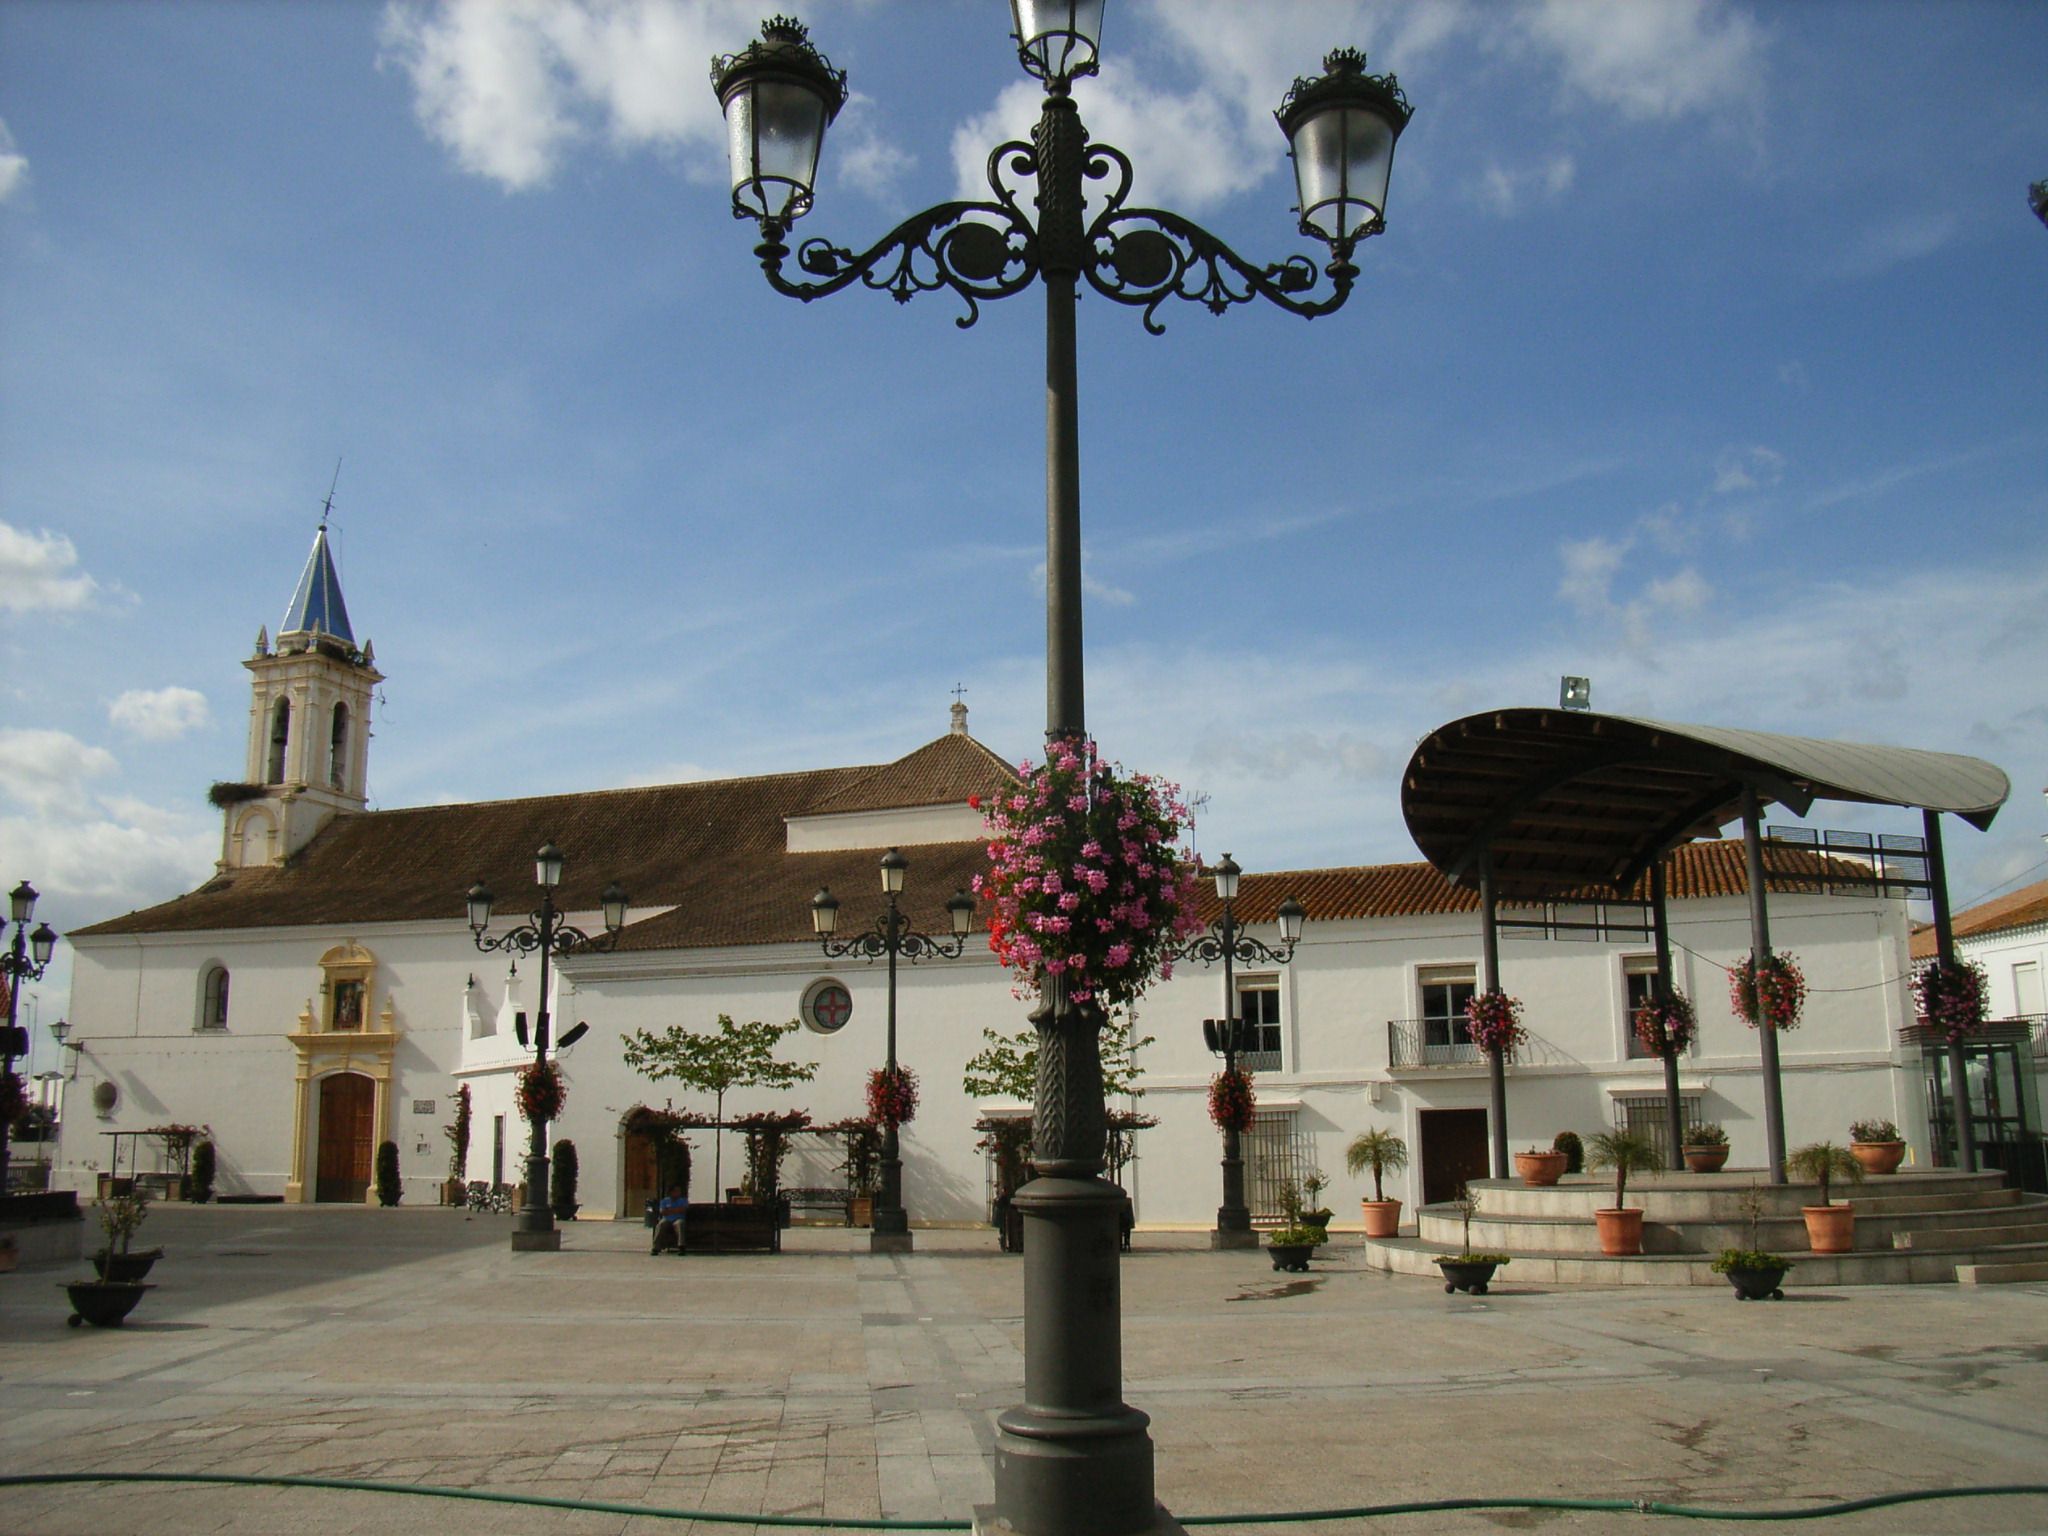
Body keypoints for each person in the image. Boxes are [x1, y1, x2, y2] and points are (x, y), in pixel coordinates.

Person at [651, 1184, 687, 1255]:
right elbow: (663, 1212)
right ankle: (656, 1247)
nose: (678, 1193)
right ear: (671, 1192)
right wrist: (676, 1210)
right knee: (660, 1225)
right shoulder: (664, 1201)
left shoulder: (683, 1200)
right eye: (676, 1191)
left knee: (680, 1224)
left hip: (678, 1218)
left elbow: (683, 1210)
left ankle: (681, 1247)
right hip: (667, 1219)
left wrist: (669, 1210)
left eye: (679, 1191)